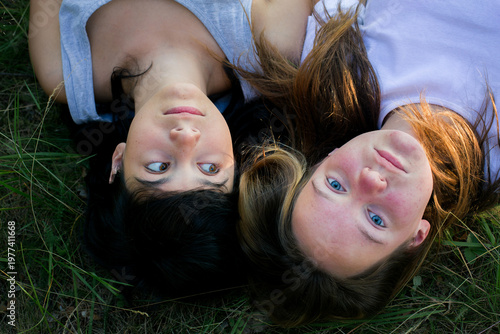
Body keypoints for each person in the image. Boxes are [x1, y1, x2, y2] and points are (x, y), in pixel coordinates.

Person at [236, 0, 500, 326]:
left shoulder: (337, 64)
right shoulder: (493, 162)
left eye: (335, 185)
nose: (372, 181)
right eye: (375, 219)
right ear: (415, 238)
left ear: (323, 160)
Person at [27, 0, 311, 297]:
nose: (186, 137)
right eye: (210, 169)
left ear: (119, 161)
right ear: (239, 164)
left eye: (159, 167)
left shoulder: (64, 72)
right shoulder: (268, 53)